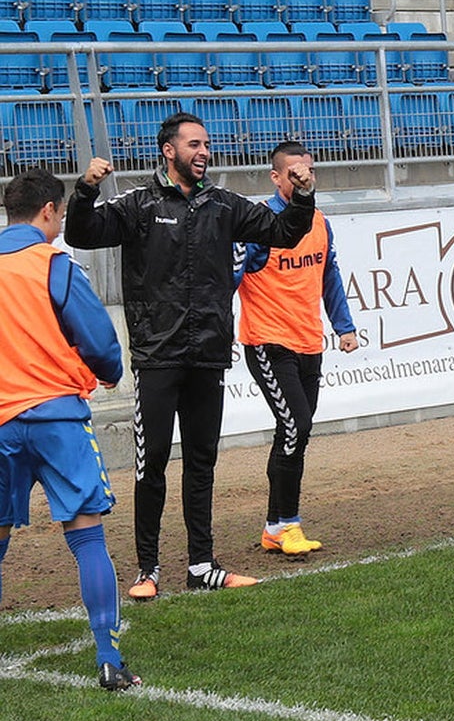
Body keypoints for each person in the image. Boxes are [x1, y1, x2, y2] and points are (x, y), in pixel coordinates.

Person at [64, 112, 316, 600]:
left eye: (207, 144)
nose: (204, 152)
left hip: (207, 355)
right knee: (151, 463)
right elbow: (82, 233)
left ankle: (202, 563)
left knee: (202, 462)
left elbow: (286, 232)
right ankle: (147, 569)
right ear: (168, 150)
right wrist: (85, 190)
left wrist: (303, 195)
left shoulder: (223, 205)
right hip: (157, 358)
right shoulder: (137, 204)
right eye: (194, 144)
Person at [0, 169, 140, 690]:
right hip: (56, 417)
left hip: (0, 422)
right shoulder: (54, 263)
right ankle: (108, 658)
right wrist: (106, 374)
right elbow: (101, 341)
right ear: (49, 211)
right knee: (87, 538)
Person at [236, 141, 358, 556]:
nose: (303, 178)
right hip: (268, 342)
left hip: (309, 342)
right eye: (294, 173)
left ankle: (276, 526)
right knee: (296, 427)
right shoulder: (260, 222)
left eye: (309, 171)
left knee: (294, 435)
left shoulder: (320, 221)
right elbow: (232, 277)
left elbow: (329, 275)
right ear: (276, 177)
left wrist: (344, 326)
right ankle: (287, 524)